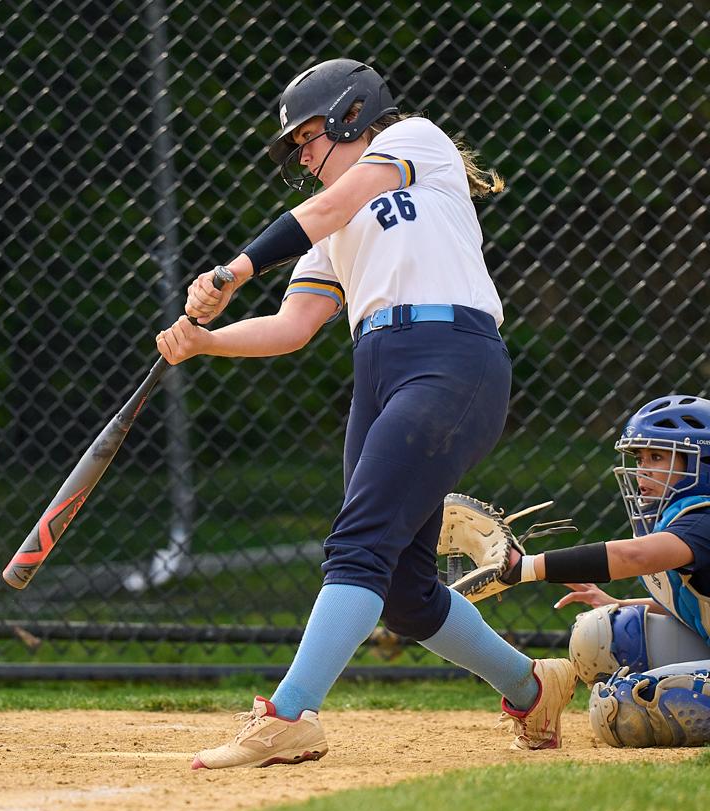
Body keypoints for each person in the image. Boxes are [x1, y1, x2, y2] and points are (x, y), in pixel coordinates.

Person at [154, 57, 576, 770]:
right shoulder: (334, 228)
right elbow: (293, 326)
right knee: (405, 595)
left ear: (353, 115)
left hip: (451, 357)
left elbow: (325, 208)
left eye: (308, 137)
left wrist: (232, 271)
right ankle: (533, 686)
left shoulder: (415, 140)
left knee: (358, 543)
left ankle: (289, 715)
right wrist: (205, 341)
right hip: (378, 371)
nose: (302, 156)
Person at [489, 395, 710, 747]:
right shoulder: (683, 517)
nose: (642, 469)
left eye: (657, 457)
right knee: (602, 633)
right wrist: (618, 602)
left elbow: (634, 557)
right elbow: (696, 605)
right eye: (639, 458)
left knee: (626, 708)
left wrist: (525, 567)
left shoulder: (702, 520)